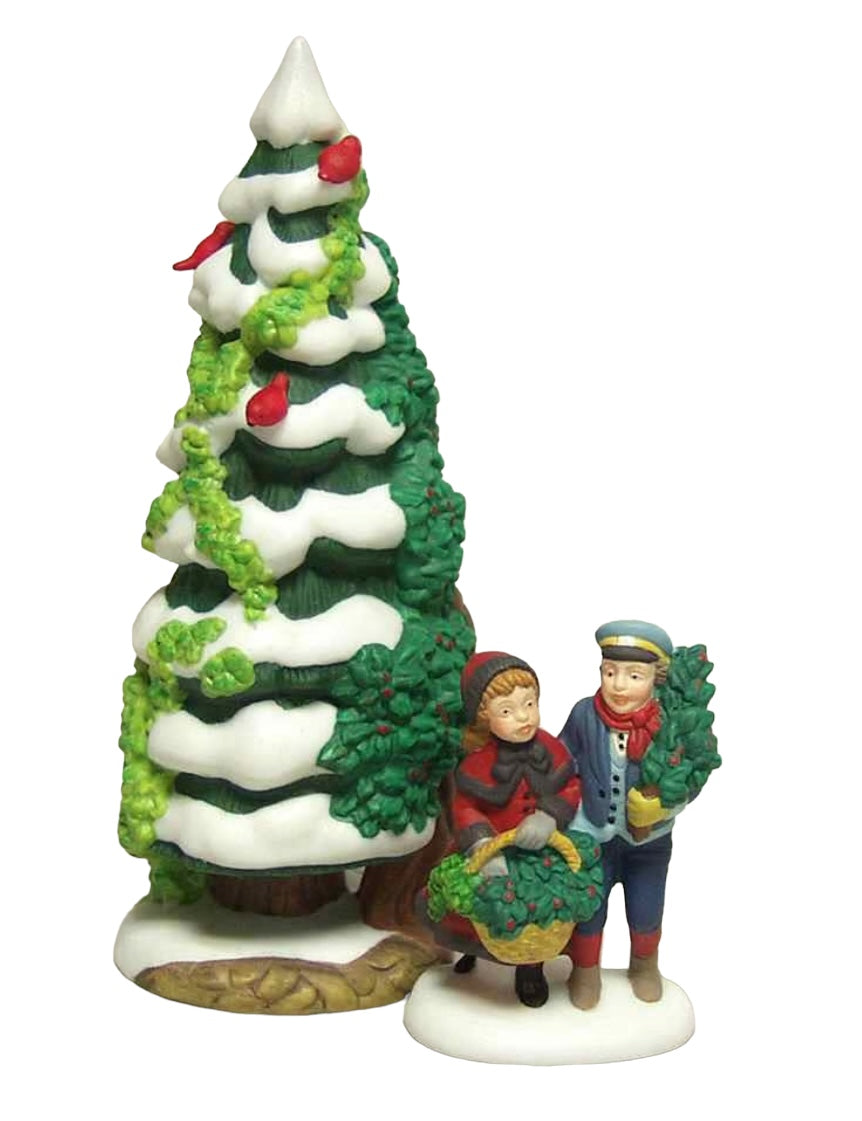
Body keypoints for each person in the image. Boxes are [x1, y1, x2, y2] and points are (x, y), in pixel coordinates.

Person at [559, 620, 679, 1010]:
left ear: (656, 678)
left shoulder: (671, 724)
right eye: (610, 673)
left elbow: (690, 776)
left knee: (646, 908)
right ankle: (585, 971)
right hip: (592, 835)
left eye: (634, 675)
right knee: (589, 910)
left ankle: (644, 965)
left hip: (648, 842)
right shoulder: (584, 714)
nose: (619, 685)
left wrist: (665, 805)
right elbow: (561, 760)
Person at [450, 651, 581, 1007]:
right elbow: (464, 806)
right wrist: (481, 844)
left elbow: (571, 786)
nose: (523, 717)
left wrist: (550, 816)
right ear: (483, 717)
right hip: (494, 850)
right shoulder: (476, 762)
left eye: (529, 704)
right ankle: (473, 950)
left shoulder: (551, 748)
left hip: (540, 850)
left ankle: (530, 969)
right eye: (507, 711)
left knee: (535, 910)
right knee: (476, 905)